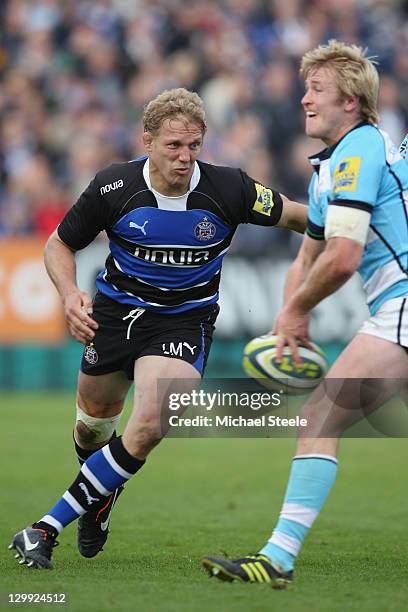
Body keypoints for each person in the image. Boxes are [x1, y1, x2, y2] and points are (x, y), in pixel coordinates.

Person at [9, 87, 307, 570]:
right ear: (146, 141)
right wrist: (68, 295)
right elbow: (58, 245)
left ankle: (44, 528)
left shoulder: (230, 188)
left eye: (194, 146)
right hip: (114, 317)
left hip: (184, 323)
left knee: (147, 425)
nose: (185, 158)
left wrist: (354, 224)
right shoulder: (113, 187)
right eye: (173, 146)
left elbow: (297, 216)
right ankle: (100, 496)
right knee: (91, 431)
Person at [202, 40, 408, 588]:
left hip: (404, 302)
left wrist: (296, 310)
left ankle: (277, 557)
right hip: (397, 305)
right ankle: (278, 557)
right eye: (305, 88)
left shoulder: (360, 149)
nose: (304, 99)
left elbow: (344, 258)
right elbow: (310, 255)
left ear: (352, 101)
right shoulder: (330, 169)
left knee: (321, 415)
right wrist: (285, 320)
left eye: (317, 89)